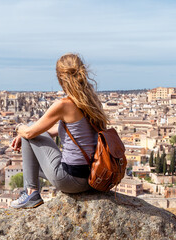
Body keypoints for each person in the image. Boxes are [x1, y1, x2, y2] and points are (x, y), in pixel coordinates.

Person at [9, 53, 108, 209]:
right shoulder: (92, 101)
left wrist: (19, 129)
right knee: (32, 133)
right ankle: (30, 192)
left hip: (70, 180)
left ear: (60, 78)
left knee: (30, 130)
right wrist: (29, 135)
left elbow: (29, 133)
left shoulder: (64, 104)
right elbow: (57, 131)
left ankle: (31, 193)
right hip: (91, 177)